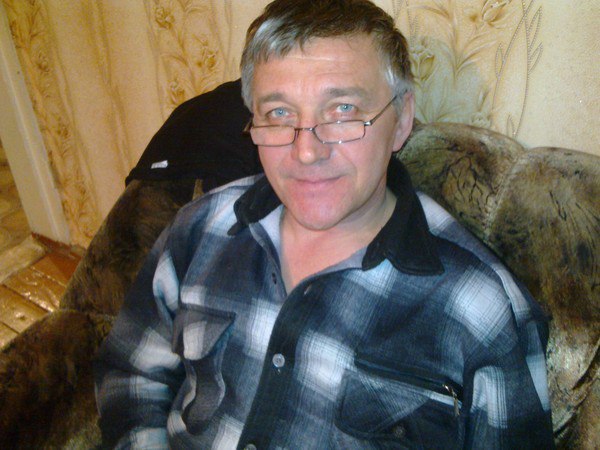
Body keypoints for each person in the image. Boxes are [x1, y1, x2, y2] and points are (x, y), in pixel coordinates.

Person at [95, 0, 554, 448]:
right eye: (279, 114)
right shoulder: (199, 229)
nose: (307, 152)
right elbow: (131, 374)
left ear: (401, 121)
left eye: (342, 111)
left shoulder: (480, 307)